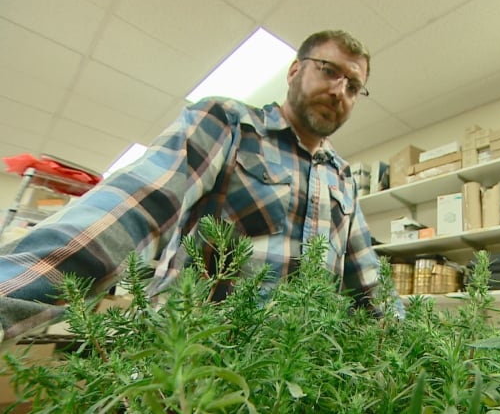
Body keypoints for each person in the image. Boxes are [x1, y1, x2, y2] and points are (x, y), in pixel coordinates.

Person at [0, 29, 404, 343]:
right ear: (295, 70)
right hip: (192, 366)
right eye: (329, 71)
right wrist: (11, 294)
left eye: (353, 86)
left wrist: (420, 350)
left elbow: (369, 283)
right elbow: (133, 207)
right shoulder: (228, 123)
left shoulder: (343, 177)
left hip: (292, 374)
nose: (339, 91)